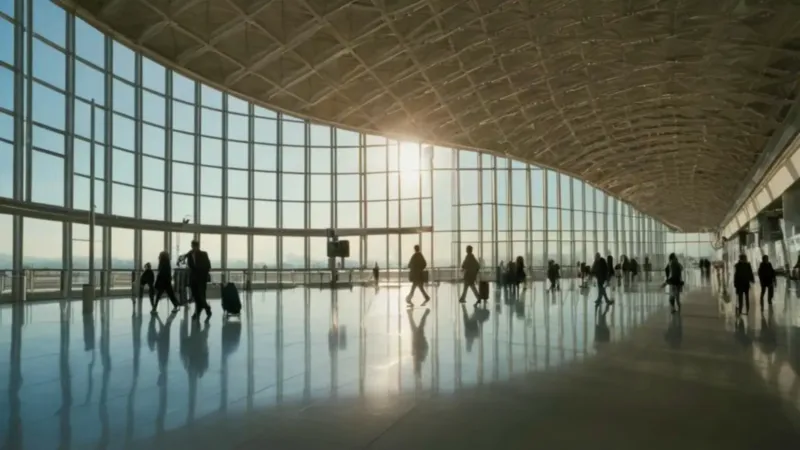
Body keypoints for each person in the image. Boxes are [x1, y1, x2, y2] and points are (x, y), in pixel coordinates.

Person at [186, 240, 212, 321]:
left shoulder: (204, 254)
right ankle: (204, 309)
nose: (193, 247)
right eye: (192, 246)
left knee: (201, 296)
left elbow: (208, 265)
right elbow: (190, 266)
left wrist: (201, 272)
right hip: (193, 279)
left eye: (194, 246)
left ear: (198, 246)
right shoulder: (190, 255)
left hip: (201, 279)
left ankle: (201, 311)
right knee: (196, 296)